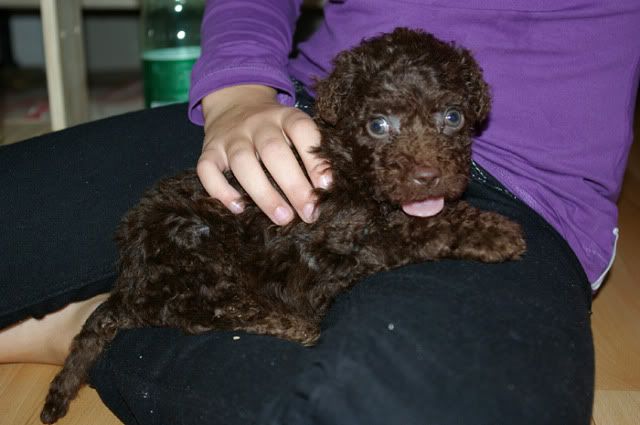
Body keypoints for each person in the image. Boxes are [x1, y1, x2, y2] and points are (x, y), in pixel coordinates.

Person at [1, 0, 638, 424]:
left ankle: (103, 327)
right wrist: (240, 87)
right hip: (302, 117)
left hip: (525, 186)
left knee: (415, 409)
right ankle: (146, 308)